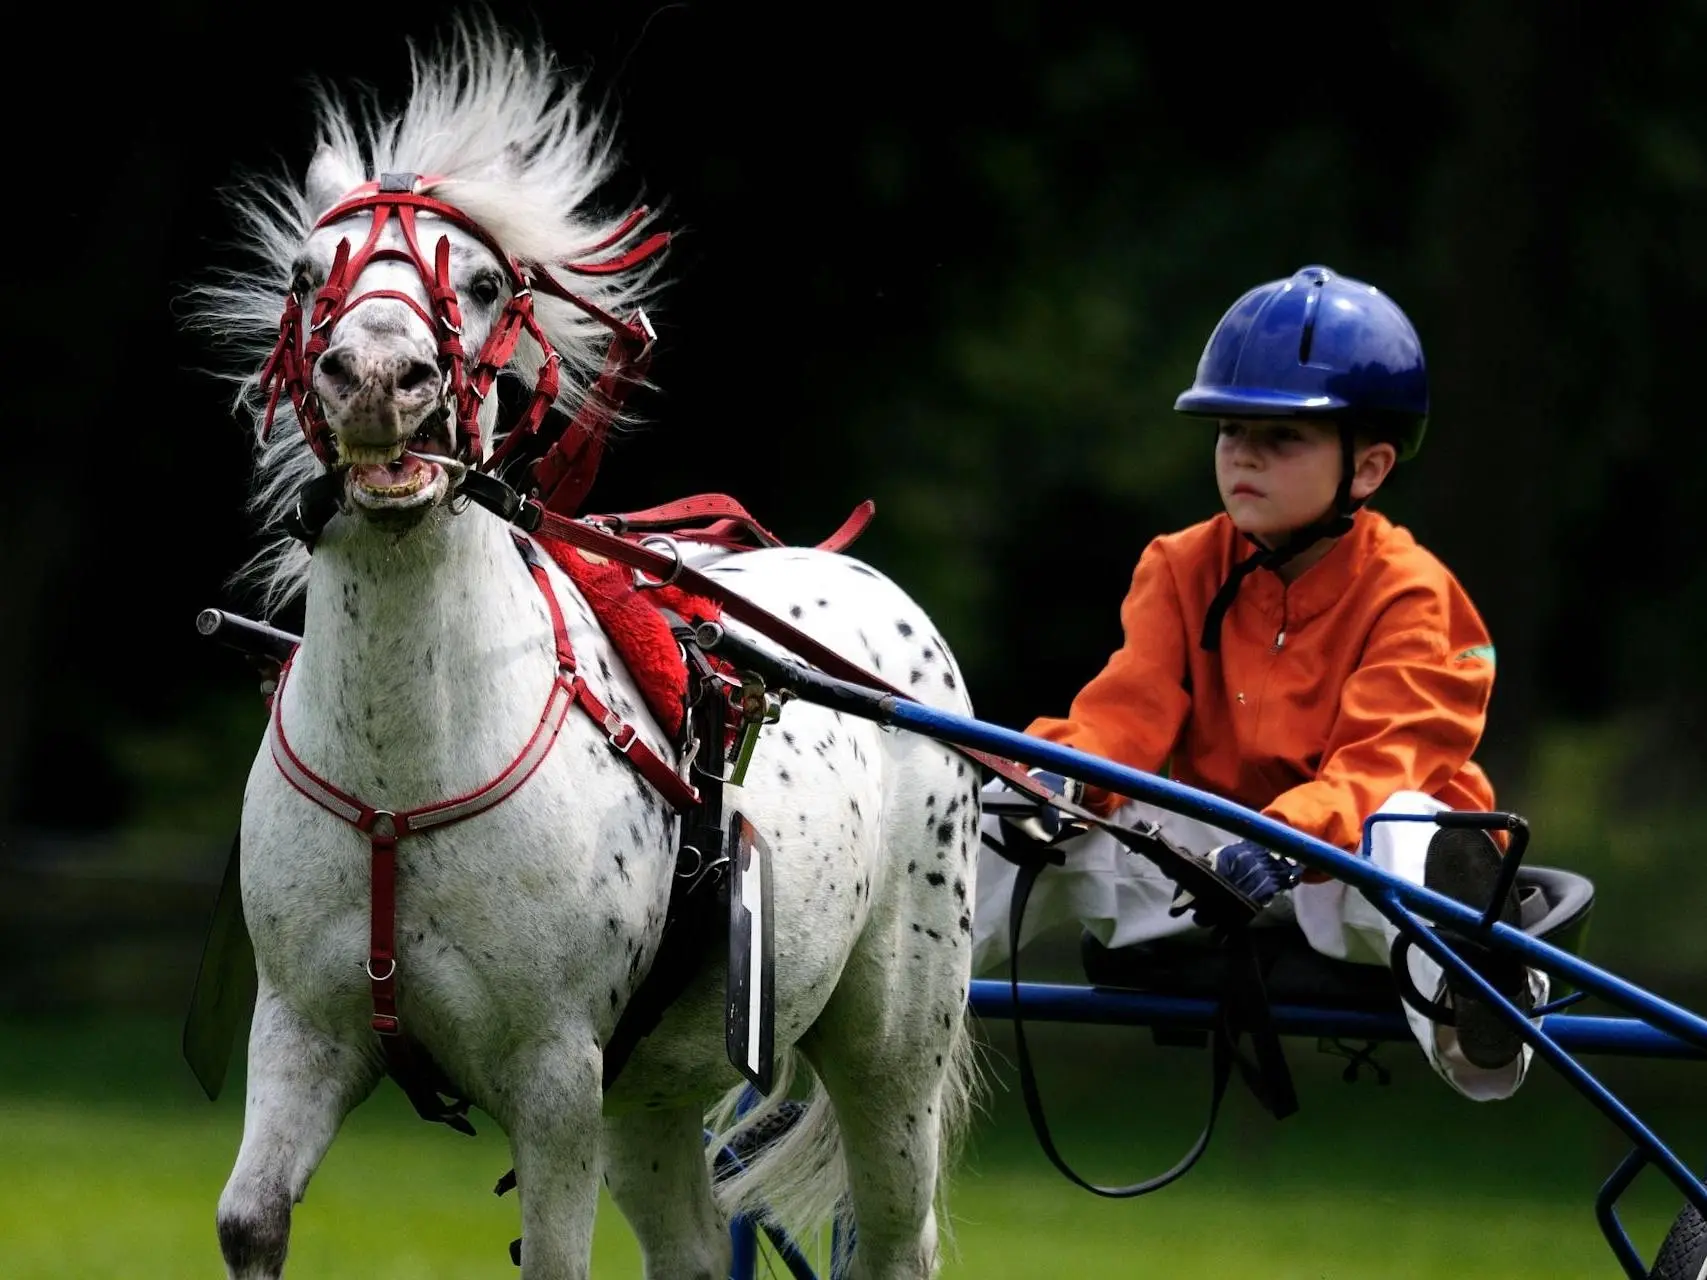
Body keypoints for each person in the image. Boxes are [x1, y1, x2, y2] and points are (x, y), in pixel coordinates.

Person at [973, 264, 1548, 1102]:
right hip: (1216, 872)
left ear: (1369, 467)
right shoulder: (1177, 565)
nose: (1243, 452)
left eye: (1281, 437)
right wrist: (1055, 780)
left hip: (1353, 880)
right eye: (1228, 428)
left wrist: (1284, 842)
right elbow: (1123, 722)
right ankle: (883, 1002)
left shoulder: (1414, 593)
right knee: (1013, 801)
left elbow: (1380, 765)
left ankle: (1482, 1012)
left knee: (1406, 823)